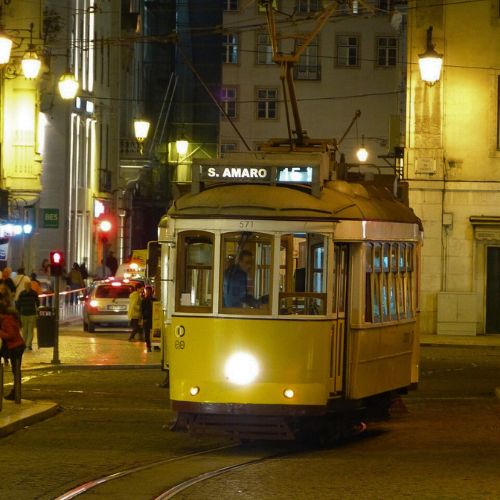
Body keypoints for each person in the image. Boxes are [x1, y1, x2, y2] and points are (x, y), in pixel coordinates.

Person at [0, 297, 25, 400]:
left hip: (16, 347)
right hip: (14, 347)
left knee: (16, 370)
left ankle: (16, 393)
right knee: (15, 370)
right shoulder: (6, 319)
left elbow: (11, 335)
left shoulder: (7, 320)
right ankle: (15, 392)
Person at [16, 281, 40, 351]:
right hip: (32, 313)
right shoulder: (34, 293)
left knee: (25, 330)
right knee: (30, 330)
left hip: (24, 314)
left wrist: (19, 311)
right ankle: (28, 345)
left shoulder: (22, 293)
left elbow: (18, 304)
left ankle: (25, 344)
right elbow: (38, 303)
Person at [141, 286, 154, 352]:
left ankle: (156, 345)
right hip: (147, 319)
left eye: (149, 291)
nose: (148, 293)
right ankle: (148, 346)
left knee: (155, 332)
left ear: (152, 292)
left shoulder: (155, 300)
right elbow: (142, 310)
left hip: (154, 319)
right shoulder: (144, 300)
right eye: (147, 291)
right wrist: (143, 319)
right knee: (147, 334)